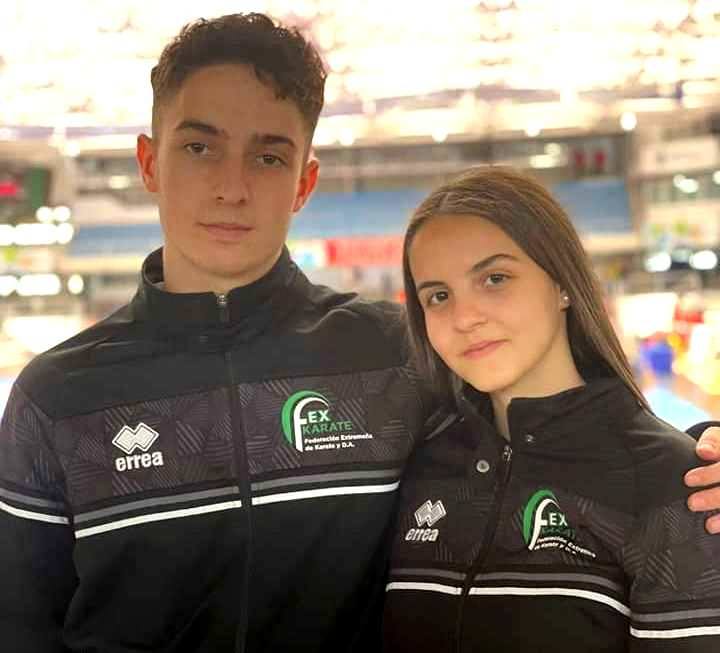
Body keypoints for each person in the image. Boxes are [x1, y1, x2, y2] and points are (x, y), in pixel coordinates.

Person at [0, 12, 718, 653]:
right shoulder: (54, 398)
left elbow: (536, 439)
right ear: (149, 162)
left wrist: (697, 458)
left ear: (304, 183)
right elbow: (21, 625)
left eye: (269, 156)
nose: (232, 187)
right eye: (199, 147)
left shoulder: (393, 355)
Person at [383, 166, 720, 652]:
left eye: (495, 278)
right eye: (438, 296)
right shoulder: (414, 465)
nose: (464, 317)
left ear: (562, 283)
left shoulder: (673, 483)